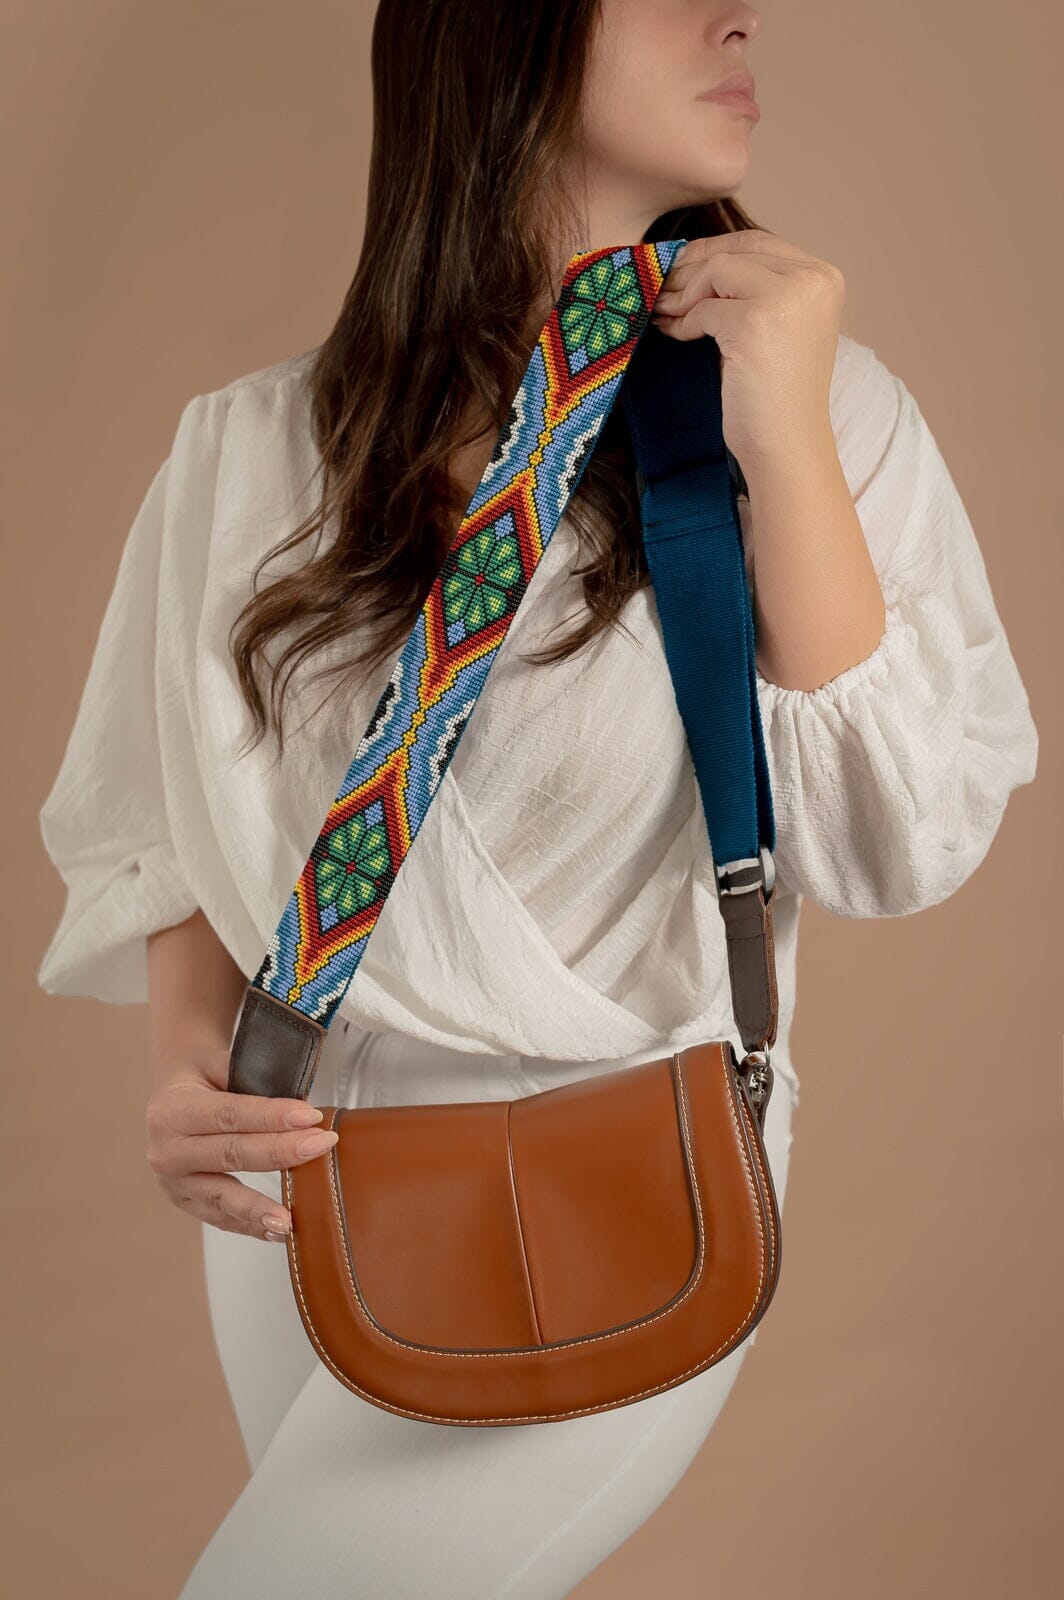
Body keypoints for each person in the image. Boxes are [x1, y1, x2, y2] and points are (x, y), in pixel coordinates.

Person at [35, 2, 1039, 1596]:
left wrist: (780, 427)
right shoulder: (247, 450)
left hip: (623, 1176)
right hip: (309, 1195)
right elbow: (168, 807)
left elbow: (894, 836)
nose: (740, 12)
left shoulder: (816, 412)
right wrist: (185, 1070)